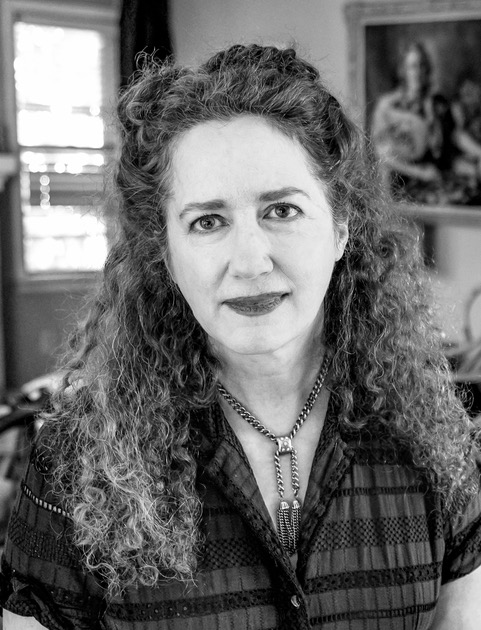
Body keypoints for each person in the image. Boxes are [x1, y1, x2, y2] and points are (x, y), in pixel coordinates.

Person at [1, 44, 481, 630]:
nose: (250, 261)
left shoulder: (435, 440)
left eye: (282, 211)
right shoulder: (76, 465)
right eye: (208, 222)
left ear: (341, 228)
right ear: (166, 253)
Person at [371, 41, 455, 204]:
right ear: (403, 71)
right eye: (412, 66)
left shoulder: (436, 104)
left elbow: (441, 149)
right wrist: (419, 173)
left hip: (431, 178)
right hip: (399, 181)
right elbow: (382, 154)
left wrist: (431, 114)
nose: (417, 72)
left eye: (421, 66)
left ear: (427, 69)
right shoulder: (387, 105)